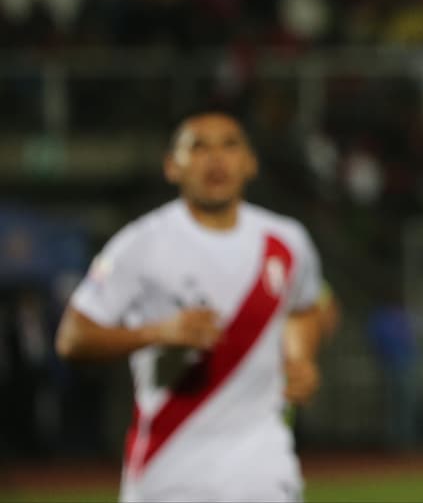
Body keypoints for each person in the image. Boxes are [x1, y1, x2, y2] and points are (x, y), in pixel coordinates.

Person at [55, 109, 331, 503]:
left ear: (250, 163)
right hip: (168, 464)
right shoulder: (141, 244)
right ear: (172, 166)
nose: (216, 159)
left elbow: (306, 306)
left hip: (262, 460)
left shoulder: (287, 239)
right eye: (198, 147)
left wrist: (302, 358)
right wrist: (156, 332)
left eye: (230, 145)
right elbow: (72, 337)